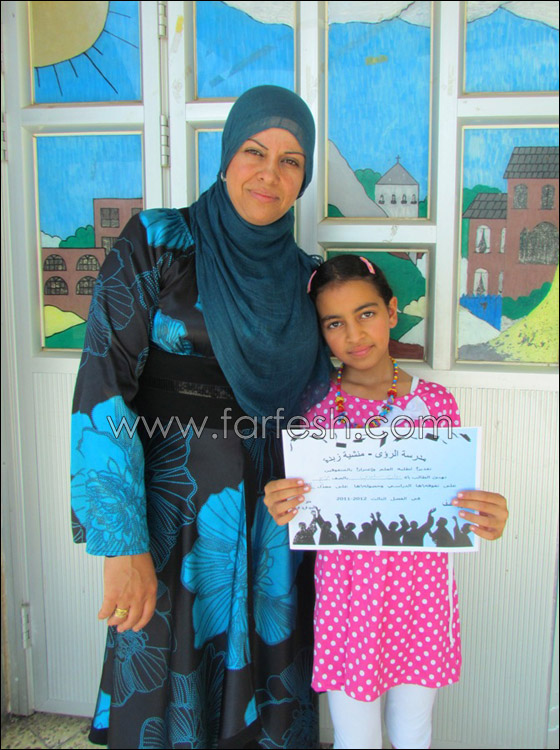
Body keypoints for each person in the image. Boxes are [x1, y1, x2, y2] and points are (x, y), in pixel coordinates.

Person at [71, 85, 332, 749]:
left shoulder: (309, 278)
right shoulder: (158, 242)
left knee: (264, 698)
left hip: (274, 522)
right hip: (173, 524)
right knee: (170, 691)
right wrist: (120, 542)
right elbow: (104, 383)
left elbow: (338, 400)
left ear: (304, 178)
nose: (270, 174)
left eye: (291, 161)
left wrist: (430, 486)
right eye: (254, 152)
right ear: (226, 155)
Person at [263, 255, 509, 750]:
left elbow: (451, 501)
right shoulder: (312, 407)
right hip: (347, 602)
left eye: (367, 314)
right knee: (355, 738)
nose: (354, 335)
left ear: (392, 312)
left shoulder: (435, 403)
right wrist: (282, 504)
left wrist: (486, 515)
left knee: (413, 732)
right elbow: (305, 504)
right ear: (320, 332)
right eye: (335, 323)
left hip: (421, 600)